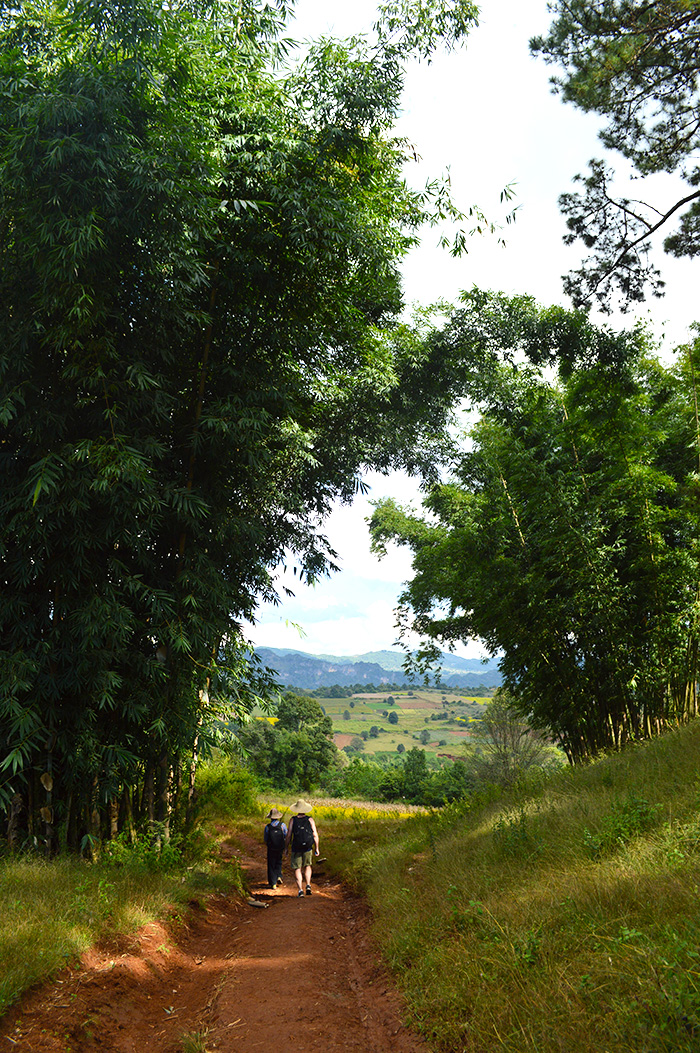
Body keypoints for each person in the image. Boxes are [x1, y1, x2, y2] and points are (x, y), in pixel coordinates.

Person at [285, 799, 319, 897]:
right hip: (308, 847)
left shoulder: (293, 820)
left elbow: (288, 835)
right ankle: (308, 885)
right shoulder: (310, 819)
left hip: (296, 847)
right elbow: (315, 834)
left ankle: (300, 890)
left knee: (297, 868)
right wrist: (317, 848)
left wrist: (286, 848)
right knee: (307, 866)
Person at [263, 807, 288, 890]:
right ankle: (279, 876)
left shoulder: (268, 827)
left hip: (271, 848)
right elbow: (286, 835)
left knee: (271, 864)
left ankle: (273, 883)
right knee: (279, 861)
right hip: (280, 847)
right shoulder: (282, 825)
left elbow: (265, 838)